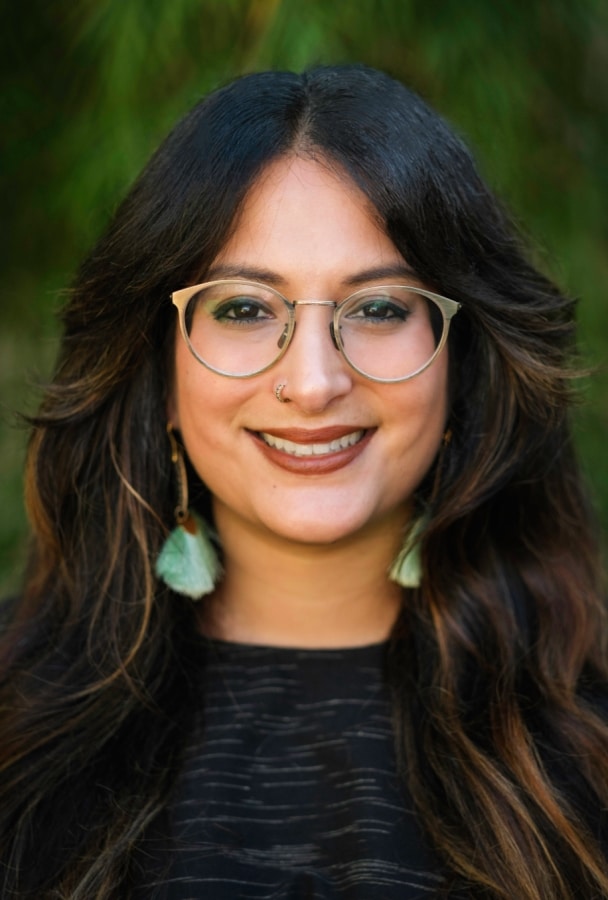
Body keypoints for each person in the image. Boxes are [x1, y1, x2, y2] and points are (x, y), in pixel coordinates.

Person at [0, 63, 606, 900]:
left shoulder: (589, 743)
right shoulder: (14, 720)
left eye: (380, 307)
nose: (315, 382)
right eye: (245, 308)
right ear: (160, 372)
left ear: (459, 366)